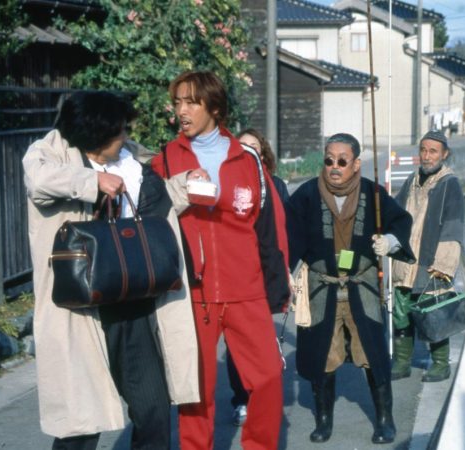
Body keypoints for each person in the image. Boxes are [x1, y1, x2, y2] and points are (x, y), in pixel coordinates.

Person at [23, 91, 199, 450]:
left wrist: (185, 186)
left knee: (153, 410)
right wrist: (92, 183)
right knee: (81, 424)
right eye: (119, 130)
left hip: (134, 297)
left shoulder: (130, 157)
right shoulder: (50, 151)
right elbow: (39, 182)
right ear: (94, 135)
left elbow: (154, 206)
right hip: (82, 306)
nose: (124, 135)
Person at [151, 71, 290, 450]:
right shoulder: (164, 159)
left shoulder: (246, 159)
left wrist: (277, 285)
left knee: (267, 378)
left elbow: (269, 227)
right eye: (178, 102)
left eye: (191, 102)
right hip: (190, 293)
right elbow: (151, 223)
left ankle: (260, 444)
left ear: (214, 106)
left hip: (246, 289)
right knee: (196, 387)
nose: (181, 110)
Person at [287, 133, 415, 444]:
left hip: (363, 284)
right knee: (323, 354)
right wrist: (286, 274)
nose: (334, 167)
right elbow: (289, 237)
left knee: (372, 352)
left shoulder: (374, 194)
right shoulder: (304, 195)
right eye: (329, 160)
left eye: (342, 161)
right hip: (321, 286)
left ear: (356, 163)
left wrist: (390, 242)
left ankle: (385, 420)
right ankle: (324, 420)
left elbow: (402, 221)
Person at [222, 128, 290, 427]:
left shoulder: (275, 185)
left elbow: (281, 234)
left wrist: (285, 272)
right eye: (242, 147)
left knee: (260, 343)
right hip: (233, 275)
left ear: (263, 155)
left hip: (264, 274)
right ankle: (241, 398)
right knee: (235, 344)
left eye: (254, 148)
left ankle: (262, 397)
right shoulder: (226, 182)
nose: (248, 153)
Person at [391, 129, 465, 383]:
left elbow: (453, 226)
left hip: (431, 259)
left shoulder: (449, 184)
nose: (426, 156)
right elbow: (397, 213)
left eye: (433, 151)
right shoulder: (413, 180)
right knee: (401, 311)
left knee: (433, 311)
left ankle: (441, 364)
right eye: (423, 150)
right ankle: (401, 362)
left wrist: (443, 264)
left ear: (444, 154)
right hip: (406, 258)